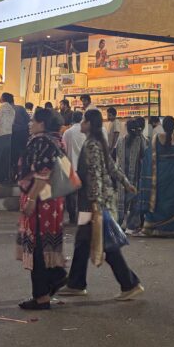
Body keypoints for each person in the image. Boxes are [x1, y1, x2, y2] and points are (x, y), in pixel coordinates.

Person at [60, 109, 144, 300]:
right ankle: (76, 282)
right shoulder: (99, 142)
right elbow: (112, 167)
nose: (81, 124)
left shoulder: (92, 145)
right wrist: (125, 182)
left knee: (106, 243)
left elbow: (95, 174)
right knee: (83, 241)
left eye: (83, 121)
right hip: (92, 202)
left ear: (89, 123)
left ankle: (129, 283)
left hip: (93, 203)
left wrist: (96, 203)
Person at [15, 108, 68, 310]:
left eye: (33, 121)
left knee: (37, 246)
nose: (30, 124)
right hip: (53, 200)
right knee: (47, 244)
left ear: (42, 124)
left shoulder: (40, 142)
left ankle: (41, 296)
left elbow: (42, 173)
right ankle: (55, 276)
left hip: (40, 201)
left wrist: (30, 199)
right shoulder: (57, 140)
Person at [139, 116, 174, 237]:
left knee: (158, 202)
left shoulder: (156, 139)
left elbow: (148, 157)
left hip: (159, 177)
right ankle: (173, 229)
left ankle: (153, 227)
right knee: (173, 203)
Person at [116, 117, 147, 231]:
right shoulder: (140, 141)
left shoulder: (120, 140)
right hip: (135, 176)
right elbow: (144, 156)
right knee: (134, 201)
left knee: (121, 201)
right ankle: (131, 225)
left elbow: (117, 157)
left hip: (121, 175)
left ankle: (119, 223)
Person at [61, 111, 87, 224]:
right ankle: (83, 218)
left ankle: (73, 217)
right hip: (85, 167)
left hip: (71, 166)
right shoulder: (85, 132)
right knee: (83, 194)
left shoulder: (68, 132)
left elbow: (63, 150)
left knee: (71, 195)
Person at [11, 97, 31, 182]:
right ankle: (21, 175)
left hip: (13, 134)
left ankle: (13, 176)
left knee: (13, 156)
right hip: (23, 134)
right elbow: (28, 119)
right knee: (22, 154)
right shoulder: (20, 108)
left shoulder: (7, 110)